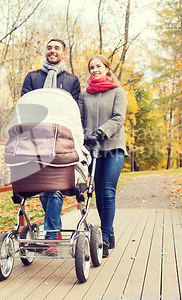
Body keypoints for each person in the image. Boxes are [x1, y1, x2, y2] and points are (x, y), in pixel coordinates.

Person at [20, 38, 81, 256]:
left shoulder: (72, 81)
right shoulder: (32, 77)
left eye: (57, 48)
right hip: (36, 140)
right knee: (45, 188)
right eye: (49, 48)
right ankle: (51, 235)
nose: (52, 51)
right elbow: (24, 105)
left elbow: (75, 111)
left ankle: (52, 237)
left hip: (60, 140)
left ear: (64, 53)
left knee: (53, 188)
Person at [78, 54, 126, 258]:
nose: (95, 69)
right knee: (96, 193)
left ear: (107, 68)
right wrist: (85, 137)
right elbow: (79, 120)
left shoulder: (117, 91)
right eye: (91, 67)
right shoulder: (83, 95)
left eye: (98, 66)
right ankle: (110, 231)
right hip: (92, 150)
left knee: (107, 192)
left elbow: (118, 118)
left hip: (113, 147)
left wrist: (101, 131)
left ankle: (104, 238)